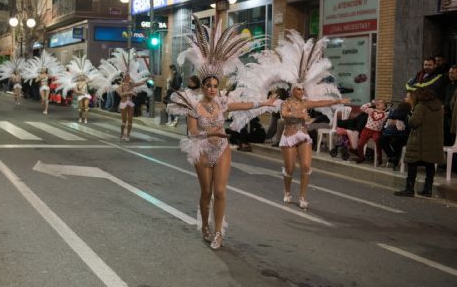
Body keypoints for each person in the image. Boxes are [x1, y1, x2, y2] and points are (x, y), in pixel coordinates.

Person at [168, 18, 277, 250]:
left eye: (215, 86)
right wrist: (209, 133)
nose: (212, 89)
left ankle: (218, 232)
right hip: (202, 150)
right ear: (203, 87)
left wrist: (266, 102)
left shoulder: (224, 103)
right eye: (208, 86)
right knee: (206, 191)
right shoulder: (193, 106)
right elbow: (193, 130)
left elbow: (247, 105)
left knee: (220, 191)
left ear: (218, 87)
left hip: (222, 149)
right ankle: (205, 226)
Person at [280, 85, 350, 209]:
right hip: (289, 137)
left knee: (306, 166)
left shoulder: (305, 103)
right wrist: (299, 115)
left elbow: (321, 103)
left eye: (302, 89)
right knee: (290, 168)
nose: (301, 91)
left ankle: (302, 197)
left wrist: (337, 101)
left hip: (303, 135)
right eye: (298, 89)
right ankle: (287, 191)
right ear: (292, 90)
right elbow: (284, 114)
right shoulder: (285, 103)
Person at [395, 88, 444, 197]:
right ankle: (428, 189)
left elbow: (413, 122)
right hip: (434, 140)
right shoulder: (439, 107)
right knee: (430, 163)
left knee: (412, 163)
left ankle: (409, 189)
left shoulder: (421, 106)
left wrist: (408, 116)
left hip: (419, 140)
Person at [380, 97, 412, 171]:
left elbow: (410, 127)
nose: (405, 98)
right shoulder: (397, 112)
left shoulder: (411, 113)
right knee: (382, 140)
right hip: (394, 133)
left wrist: (401, 123)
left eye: (407, 97)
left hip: (406, 135)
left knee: (395, 142)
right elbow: (387, 122)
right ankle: (392, 156)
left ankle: (395, 160)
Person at [353, 99, 388, 165]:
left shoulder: (385, 114)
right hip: (367, 129)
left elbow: (389, 120)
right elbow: (362, 108)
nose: (379, 103)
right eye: (378, 102)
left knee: (378, 141)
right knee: (360, 144)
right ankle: (361, 157)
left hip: (376, 131)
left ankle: (379, 158)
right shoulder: (371, 110)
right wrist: (371, 104)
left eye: (381, 103)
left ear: (384, 107)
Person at [117, 73, 148, 141]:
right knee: (124, 121)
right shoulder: (121, 85)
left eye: (129, 76)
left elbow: (139, 83)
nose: (128, 77)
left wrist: (147, 79)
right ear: (124, 77)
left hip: (130, 103)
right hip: (123, 103)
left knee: (130, 120)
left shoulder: (131, 84)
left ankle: (128, 135)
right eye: (127, 76)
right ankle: (122, 134)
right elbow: (121, 94)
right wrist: (130, 93)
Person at [442, 66, 457, 146]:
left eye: (453, 73)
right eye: (450, 73)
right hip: (446, 115)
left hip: (453, 116)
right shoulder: (448, 85)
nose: (450, 75)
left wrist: (445, 107)